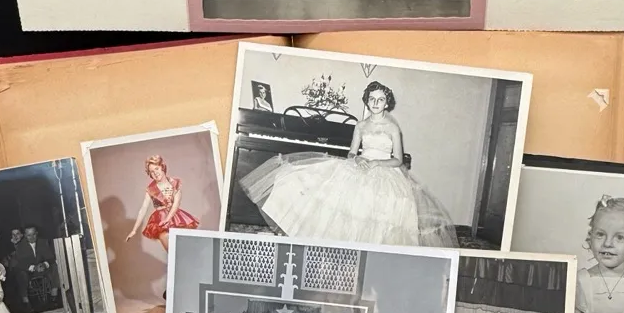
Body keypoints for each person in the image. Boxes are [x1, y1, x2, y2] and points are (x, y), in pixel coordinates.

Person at [240, 82, 457, 247]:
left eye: (380, 99)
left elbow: (398, 160)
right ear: (367, 101)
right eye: (372, 99)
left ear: (387, 103)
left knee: (381, 212)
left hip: (384, 169)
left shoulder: (392, 127)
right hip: (360, 165)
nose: (376, 103)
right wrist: (358, 158)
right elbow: (352, 152)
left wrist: (376, 163)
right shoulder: (360, 125)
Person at [126, 155, 201, 254]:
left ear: (162, 167)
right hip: (160, 219)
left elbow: (176, 204)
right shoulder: (151, 189)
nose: (155, 173)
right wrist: (134, 230)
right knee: (169, 246)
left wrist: (168, 219)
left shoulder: (175, 183)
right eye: (152, 172)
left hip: (176, 218)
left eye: (156, 168)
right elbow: (143, 209)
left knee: (186, 248)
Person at [9, 225, 61, 310]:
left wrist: (44, 264)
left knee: (54, 266)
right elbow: (19, 263)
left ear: (37, 233)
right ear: (25, 236)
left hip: (42, 268)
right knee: (21, 274)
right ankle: (26, 301)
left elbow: (50, 257)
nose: (32, 237)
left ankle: (54, 296)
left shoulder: (43, 242)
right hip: (28, 271)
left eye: (34, 234)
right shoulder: (20, 246)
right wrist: (33, 267)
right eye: (29, 235)